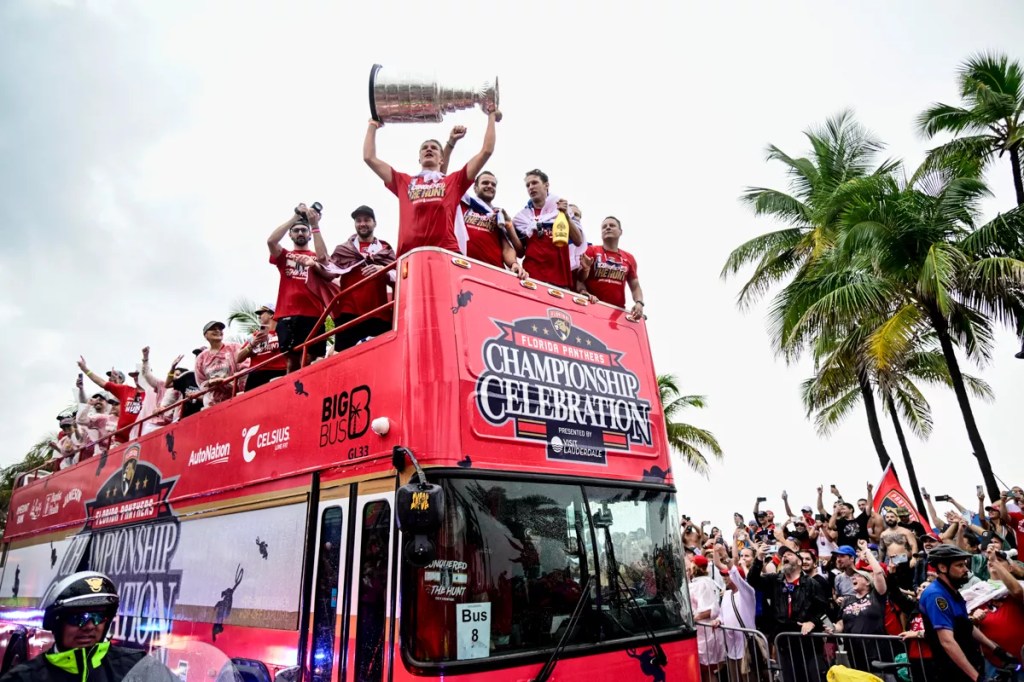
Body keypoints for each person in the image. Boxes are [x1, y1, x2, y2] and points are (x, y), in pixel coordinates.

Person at [363, 106, 500, 256]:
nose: (429, 149)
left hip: (446, 253)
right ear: (419, 158)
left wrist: (491, 116)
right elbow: (369, 158)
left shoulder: (454, 181)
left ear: (441, 159)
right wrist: (373, 124)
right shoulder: (403, 182)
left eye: (434, 148)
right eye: (425, 148)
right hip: (411, 255)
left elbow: (486, 151)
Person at [0, 571, 175, 681]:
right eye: (78, 618)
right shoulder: (23, 678)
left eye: (98, 617)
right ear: (56, 622)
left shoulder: (141, 668)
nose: (90, 626)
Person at [303, 205, 396, 352]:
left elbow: (400, 275)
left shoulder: (386, 250)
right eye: (358, 220)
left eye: (367, 220)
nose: (362, 223)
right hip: (349, 314)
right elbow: (326, 267)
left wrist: (382, 271)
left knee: (381, 358)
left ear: (375, 223)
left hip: (380, 315)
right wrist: (314, 227)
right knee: (346, 359)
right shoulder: (344, 250)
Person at [919, 544, 1013, 682]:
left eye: (965, 564)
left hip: (970, 664)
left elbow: (966, 625)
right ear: (943, 568)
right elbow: (947, 642)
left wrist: (997, 650)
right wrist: (977, 678)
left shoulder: (953, 591)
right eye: (960, 565)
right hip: (953, 672)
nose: (966, 569)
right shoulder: (936, 596)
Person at [747, 542, 828, 682]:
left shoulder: (812, 584)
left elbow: (823, 609)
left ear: (799, 561)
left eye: (789, 554)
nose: (785, 557)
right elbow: (752, 581)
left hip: (808, 642)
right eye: (783, 556)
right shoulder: (775, 580)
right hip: (784, 642)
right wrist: (759, 558)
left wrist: (812, 622)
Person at [267, 203, 329, 372]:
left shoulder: (314, 256)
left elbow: (325, 260)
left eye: (303, 230)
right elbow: (271, 241)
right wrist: (295, 216)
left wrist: (315, 225)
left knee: (311, 359)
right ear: (290, 234)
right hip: (288, 314)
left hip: (314, 314)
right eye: (296, 230)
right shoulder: (285, 255)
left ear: (309, 235)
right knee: (292, 362)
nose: (300, 233)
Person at [512, 169, 586, 290]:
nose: (531, 187)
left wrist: (566, 216)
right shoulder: (522, 217)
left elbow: (578, 240)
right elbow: (520, 252)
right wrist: (509, 227)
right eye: (528, 185)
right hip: (531, 276)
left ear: (546, 185)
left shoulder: (561, 209)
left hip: (560, 279)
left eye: (534, 183)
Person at [833, 539, 891, 669]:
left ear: (868, 582)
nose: (854, 577)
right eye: (853, 577)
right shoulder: (847, 600)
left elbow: (878, 572)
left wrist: (865, 550)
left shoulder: (877, 596)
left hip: (876, 650)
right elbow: (841, 623)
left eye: (858, 576)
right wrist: (833, 628)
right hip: (853, 651)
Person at [457, 172, 527, 277]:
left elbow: (506, 247)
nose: (490, 186)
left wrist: (514, 263)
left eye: (493, 184)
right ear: (475, 188)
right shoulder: (462, 206)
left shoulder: (498, 214)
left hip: (493, 272)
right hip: (464, 267)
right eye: (485, 183)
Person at [576, 216, 645, 319]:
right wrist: (583, 292)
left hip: (616, 313)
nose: (607, 228)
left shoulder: (629, 258)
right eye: (604, 227)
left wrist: (639, 303)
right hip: (592, 307)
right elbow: (578, 279)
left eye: (612, 225)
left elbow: (635, 286)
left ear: (620, 232)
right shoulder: (591, 251)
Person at [77, 358, 145, 443]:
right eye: (134, 376)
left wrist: (145, 358)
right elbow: (101, 382)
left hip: (143, 437)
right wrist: (85, 369)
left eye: (138, 375)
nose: (136, 378)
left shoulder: (153, 394)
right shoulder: (126, 390)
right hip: (120, 441)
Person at [194, 321, 245, 408]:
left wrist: (230, 382)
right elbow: (201, 382)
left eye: (220, 329)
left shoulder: (234, 347)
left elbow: (245, 369)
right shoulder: (201, 358)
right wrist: (209, 382)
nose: (218, 331)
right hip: (213, 403)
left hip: (237, 398)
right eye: (213, 329)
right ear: (205, 335)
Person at [236, 304, 287, 390]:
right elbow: (238, 358)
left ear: (271, 314)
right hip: (257, 374)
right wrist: (252, 344)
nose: (259, 316)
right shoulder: (255, 336)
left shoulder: (283, 332)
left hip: (280, 371)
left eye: (261, 313)